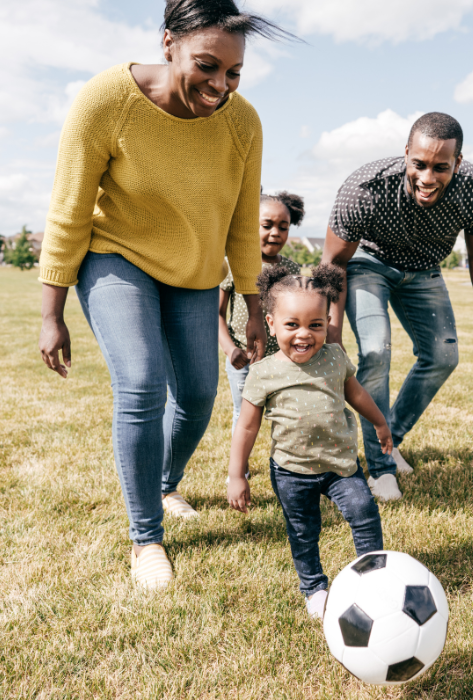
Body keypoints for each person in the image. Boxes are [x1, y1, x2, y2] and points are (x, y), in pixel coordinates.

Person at [37, 0, 295, 590]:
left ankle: (164, 482)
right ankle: (145, 537)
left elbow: (239, 222)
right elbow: (70, 208)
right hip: (115, 256)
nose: (219, 85)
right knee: (142, 382)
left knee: (200, 395)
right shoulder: (107, 100)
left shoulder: (242, 122)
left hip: (196, 273)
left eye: (233, 74)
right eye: (207, 66)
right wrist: (51, 312)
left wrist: (255, 308)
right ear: (167, 43)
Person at [321, 112, 473, 502]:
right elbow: (333, 263)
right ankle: (380, 470)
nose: (428, 178)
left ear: (458, 163)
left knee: (443, 356)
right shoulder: (366, 186)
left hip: (425, 269)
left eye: (441, 168)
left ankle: (389, 440)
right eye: (419, 164)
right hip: (367, 265)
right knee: (375, 351)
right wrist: (333, 333)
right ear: (406, 153)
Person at [227, 265, 392, 619]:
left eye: (316, 325)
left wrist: (379, 421)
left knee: (364, 512)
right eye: (292, 325)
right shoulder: (263, 372)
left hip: (340, 466)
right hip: (292, 471)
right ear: (271, 323)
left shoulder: (334, 357)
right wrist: (236, 474)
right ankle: (314, 587)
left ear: (328, 321)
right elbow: (246, 427)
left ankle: (373, 577)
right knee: (303, 532)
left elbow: (356, 393)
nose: (305, 335)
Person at [219, 191, 304, 432]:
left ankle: (288, 464)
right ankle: (238, 468)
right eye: (266, 225)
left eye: (283, 227)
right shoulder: (234, 264)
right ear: (248, 225)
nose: (275, 232)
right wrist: (230, 349)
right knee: (244, 413)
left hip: (283, 359)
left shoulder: (291, 269)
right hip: (244, 359)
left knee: (287, 413)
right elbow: (217, 314)